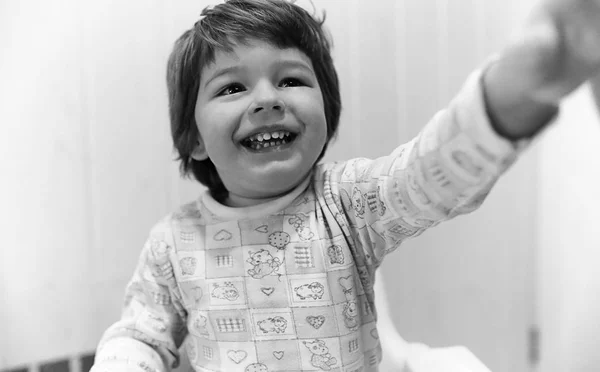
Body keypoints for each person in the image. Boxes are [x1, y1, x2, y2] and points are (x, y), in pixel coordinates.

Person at [90, 0, 600, 371]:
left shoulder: (347, 203)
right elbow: (139, 333)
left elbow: (431, 174)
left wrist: (513, 94)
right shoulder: (173, 241)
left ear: (327, 118)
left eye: (291, 79)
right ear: (194, 139)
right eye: (232, 87)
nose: (267, 98)